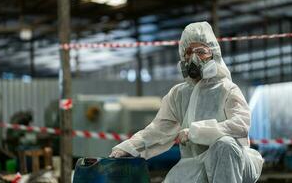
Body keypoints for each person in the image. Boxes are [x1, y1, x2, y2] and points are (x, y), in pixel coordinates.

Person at [110, 21, 264, 183]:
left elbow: (240, 125)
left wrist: (195, 132)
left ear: (214, 54)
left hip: (236, 164)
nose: (194, 58)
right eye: (189, 52)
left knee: (224, 144)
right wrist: (127, 148)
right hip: (194, 163)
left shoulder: (227, 89)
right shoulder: (178, 94)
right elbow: (158, 130)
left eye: (201, 51)